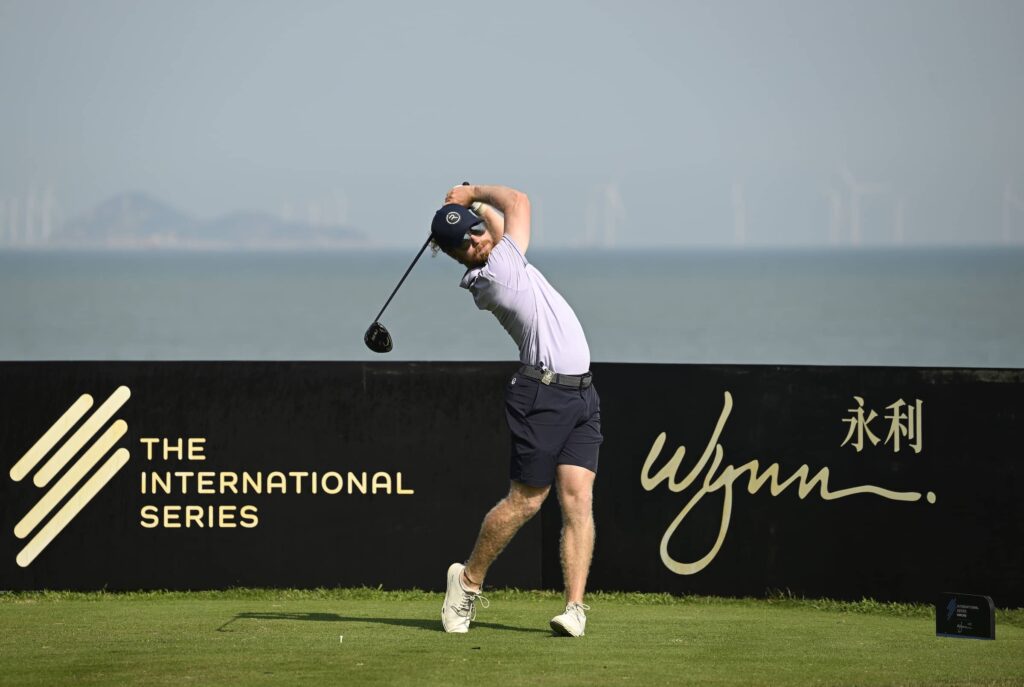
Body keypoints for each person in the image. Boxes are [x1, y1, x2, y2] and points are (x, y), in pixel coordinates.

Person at [429, 184, 602, 637]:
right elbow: (519, 204)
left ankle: (575, 609)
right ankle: (466, 582)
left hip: (581, 394)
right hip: (540, 395)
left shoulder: (500, 254)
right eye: (466, 242)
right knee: (527, 501)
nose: (477, 240)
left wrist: (466, 208)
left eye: (477, 232)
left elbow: (502, 226)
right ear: (453, 254)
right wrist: (474, 193)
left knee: (577, 499)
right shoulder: (496, 273)